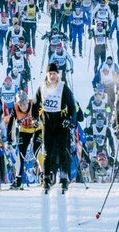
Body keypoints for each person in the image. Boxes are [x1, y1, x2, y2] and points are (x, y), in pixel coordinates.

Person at [31, 63, 76, 193]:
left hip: (62, 124)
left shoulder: (63, 88)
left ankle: (63, 180)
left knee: (63, 152)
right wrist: (34, 119)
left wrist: (70, 121)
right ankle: (46, 180)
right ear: (47, 74)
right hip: (47, 124)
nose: (52, 76)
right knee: (47, 153)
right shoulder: (42, 87)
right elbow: (35, 104)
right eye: (50, 73)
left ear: (58, 75)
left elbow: (72, 106)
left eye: (54, 74)